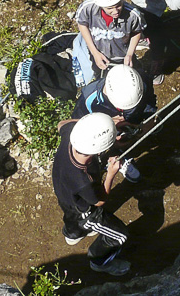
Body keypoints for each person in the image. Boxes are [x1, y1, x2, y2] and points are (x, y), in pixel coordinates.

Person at [52, 113, 131, 276]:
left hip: (64, 193)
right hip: (87, 212)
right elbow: (99, 201)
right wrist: (111, 174)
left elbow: (62, 124)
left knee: (71, 213)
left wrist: (98, 128)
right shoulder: (83, 179)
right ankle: (99, 261)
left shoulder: (71, 134)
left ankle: (72, 235)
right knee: (120, 236)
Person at [71, 65, 157, 183]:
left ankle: (133, 135)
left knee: (147, 126)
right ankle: (115, 157)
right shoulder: (89, 100)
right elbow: (80, 128)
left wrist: (146, 123)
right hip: (105, 131)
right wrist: (109, 126)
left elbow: (149, 100)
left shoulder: (141, 81)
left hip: (135, 116)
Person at [74, 0, 146, 79]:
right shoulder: (87, 9)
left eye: (118, 6)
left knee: (134, 76)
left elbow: (137, 32)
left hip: (123, 55)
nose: (115, 11)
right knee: (102, 78)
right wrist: (95, 53)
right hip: (99, 54)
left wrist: (130, 54)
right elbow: (82, 24)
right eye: (109, 8)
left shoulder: (133, 15)